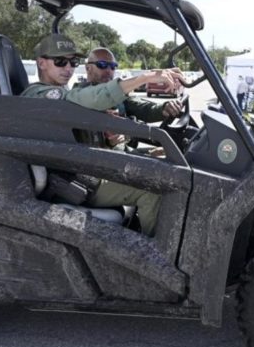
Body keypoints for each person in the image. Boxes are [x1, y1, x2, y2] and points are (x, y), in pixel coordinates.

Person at [20, 34, 183, 237]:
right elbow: (85, 98)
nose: (69, 68)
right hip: (75, 182)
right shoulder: (40, 94)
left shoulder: (62, 94)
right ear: (41, 63)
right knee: (151, 192)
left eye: (73, 62)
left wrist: (108, 134)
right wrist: (146, 78)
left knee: (161, 170)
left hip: (85, 170)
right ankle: (158, 258)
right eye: (60, 62)